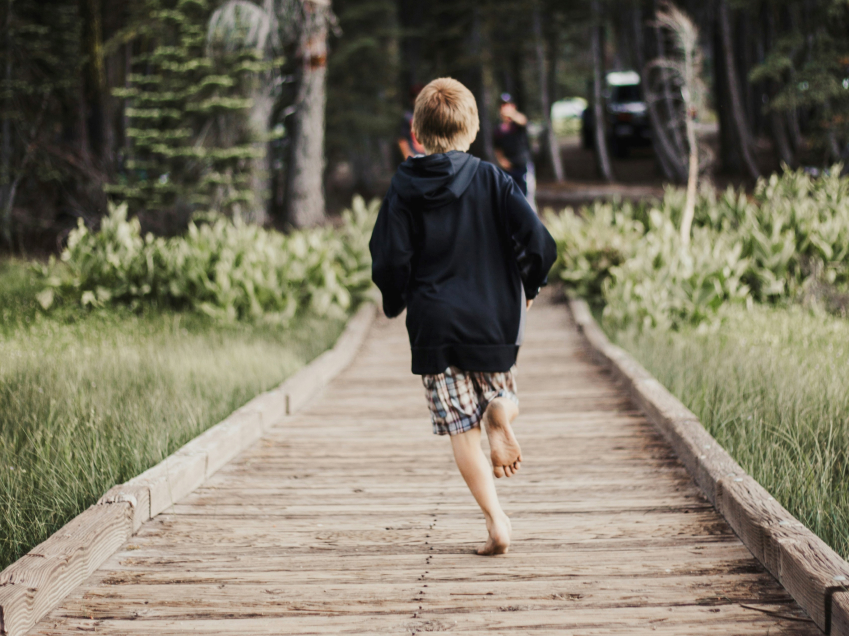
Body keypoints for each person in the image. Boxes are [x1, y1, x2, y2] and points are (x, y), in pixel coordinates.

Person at [369, 78, 556, 556]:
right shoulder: (493, 179)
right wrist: (528, 287)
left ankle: (496, 522)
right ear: (472, 130)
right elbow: (539, 241)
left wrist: (396, 299)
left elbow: (388, 257)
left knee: (460, 430)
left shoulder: (403, 186)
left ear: (417, 130)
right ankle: (501, 411)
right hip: (490, 322)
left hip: (435, 325)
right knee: (504, 394)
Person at [493, 94, 533, 198]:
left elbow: (523, 120)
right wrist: (501, 160)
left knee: (527, 196)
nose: (504, 108)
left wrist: (511, 114)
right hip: (508, 169)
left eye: (507, 105)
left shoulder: (518, 125)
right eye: (502, 106)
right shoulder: (498, 128)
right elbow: (497, 148)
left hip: (522, 166)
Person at [398, 84, 427, 160]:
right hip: (418, 156)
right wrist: (408, 156)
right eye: (415, 96)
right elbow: (402, 139)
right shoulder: (408, 117)